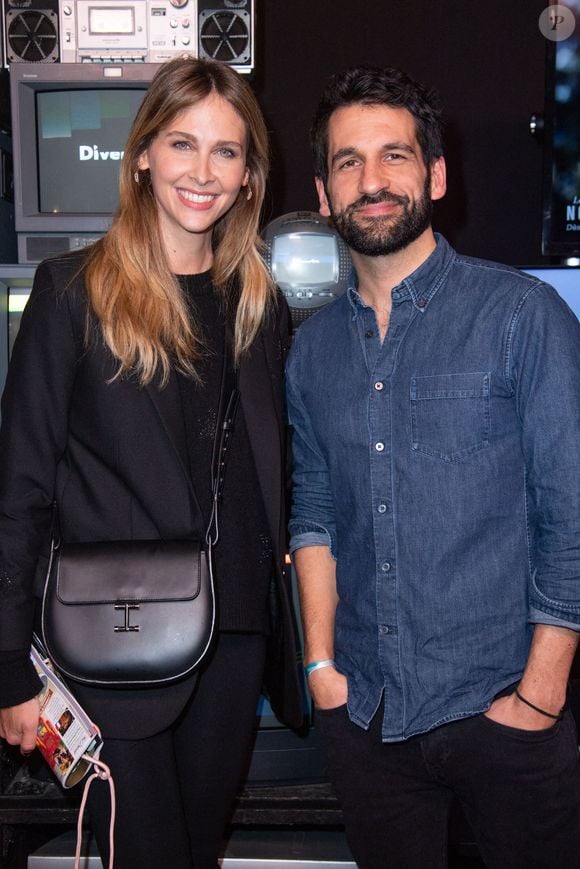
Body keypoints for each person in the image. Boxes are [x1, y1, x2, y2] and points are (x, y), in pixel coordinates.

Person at [0, 56, 303, 869]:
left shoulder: (260, 304)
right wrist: (8, 670)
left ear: (249, 175)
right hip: (111, 636)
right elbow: (19, 492)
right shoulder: (71, 293)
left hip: (234, 634)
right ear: (142, 156)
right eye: (181, 143)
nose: (202, 172)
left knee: (196, 853)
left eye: (225, 151)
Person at [286, 64, 580, 868]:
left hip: (506, 713)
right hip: (368, 717)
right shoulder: (311, 351)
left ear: (436, 175)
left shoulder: (522, 315)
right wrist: (321, 667)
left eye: (395, 156)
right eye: (348, 162)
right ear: (324, 193)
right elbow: (314, 511)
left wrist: (540, 693)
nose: (372, 181)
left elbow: (571, 511)